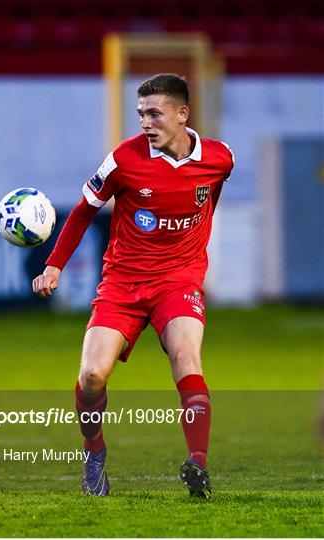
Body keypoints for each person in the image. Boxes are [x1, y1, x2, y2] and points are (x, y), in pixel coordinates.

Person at [32, 73, 234, 498]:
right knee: (91, 376)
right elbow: (85, 209)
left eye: (155, 113)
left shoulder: (220, 159)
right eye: (141, 113)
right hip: (122, 283)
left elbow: (207, 202)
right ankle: (94, 452)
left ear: (182, 114)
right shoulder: (123, 159)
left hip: (178, 280)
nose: (145, 122)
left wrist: (192, 255)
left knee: (186, 357)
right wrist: (54, 266)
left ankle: (197, 466)